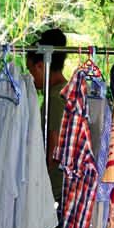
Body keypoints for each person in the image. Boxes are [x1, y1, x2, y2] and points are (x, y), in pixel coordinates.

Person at [25, 27, 67, 206]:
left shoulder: (55, 99)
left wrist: (35, 182)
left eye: (30, 71)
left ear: (41, 66)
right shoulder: (65, 92)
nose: (31, 77)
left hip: (54, 190)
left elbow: (54, 152)